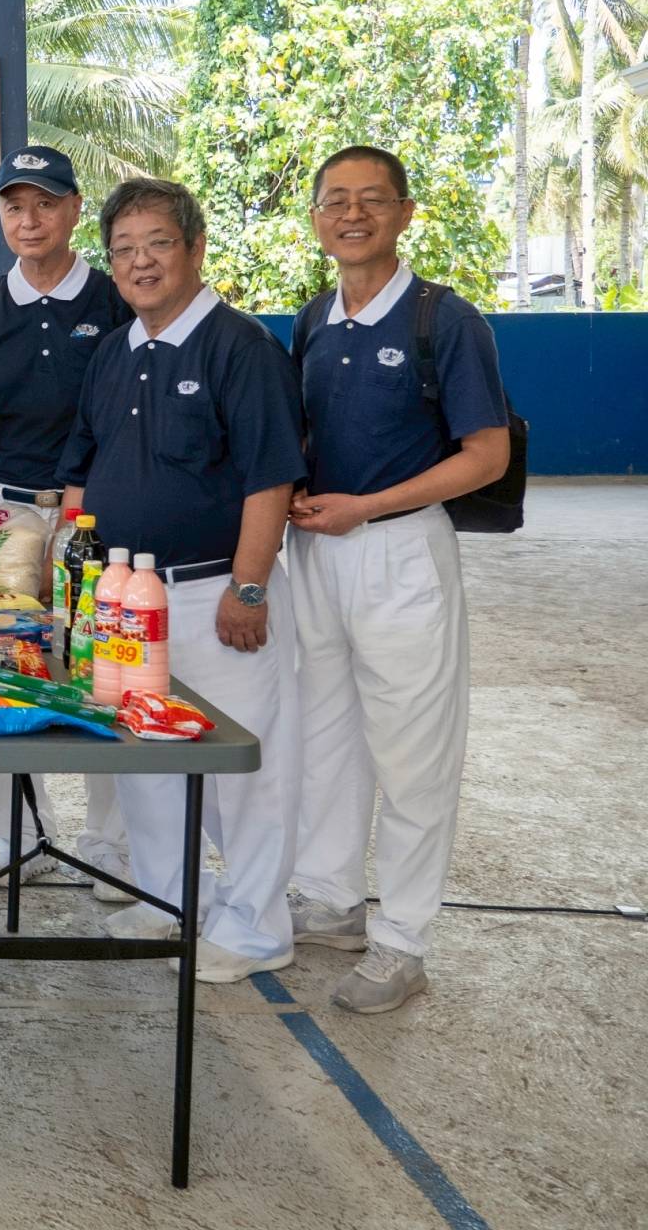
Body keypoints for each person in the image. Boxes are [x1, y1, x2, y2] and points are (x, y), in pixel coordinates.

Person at [57, 177, 305, 984]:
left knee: (243, 769)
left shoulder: (242, 348)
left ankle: (258, 929)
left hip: (213, 594)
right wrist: (77, 581)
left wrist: (249, 587)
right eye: (123, 249)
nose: (140, 262)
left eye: (157, 243)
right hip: (121, 596)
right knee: (145, 756)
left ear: (195, 248)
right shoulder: (114, 350)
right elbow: (83, 469)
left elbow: (271, 478)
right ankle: (168, 900)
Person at [287, 146, 510, 1014]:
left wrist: (370, 505)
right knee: (327, 736)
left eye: (372, 199)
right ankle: (331, 899)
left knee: (413, 754)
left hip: (401, 554)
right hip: (319, 551)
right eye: (335, 200)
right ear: (316, 218)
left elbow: (485, 456)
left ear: (405, 213)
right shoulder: (314, 318)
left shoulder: (444, 320)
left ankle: (404, 940)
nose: (352, 214)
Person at [0, 145, 132, 894]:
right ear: (0, 217)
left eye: (46, 203)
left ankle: (111, 847)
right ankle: (22, 837)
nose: (30, 219)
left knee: (103, 671)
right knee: (7, 668)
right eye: (15, 206)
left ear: (75, 210)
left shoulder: (113, 299)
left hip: (94, 516)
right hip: (4, 513)